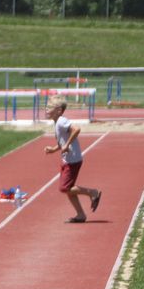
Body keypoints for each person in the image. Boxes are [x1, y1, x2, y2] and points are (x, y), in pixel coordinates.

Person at [43, 95, 101, 223]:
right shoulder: (57, 123)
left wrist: (67, 144)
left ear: (58, 110)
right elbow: (62, 142)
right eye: (46, 107)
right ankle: (80, 214)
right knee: (68, 189)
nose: (46, 109)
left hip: (72, 160)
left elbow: (77, 129)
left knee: (65, 188)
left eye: (49, 107)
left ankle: (92, 192)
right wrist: (53, 149)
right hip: (68, 159)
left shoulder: (62, 121)